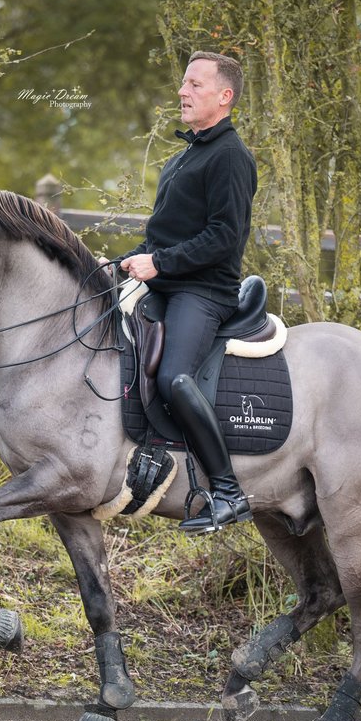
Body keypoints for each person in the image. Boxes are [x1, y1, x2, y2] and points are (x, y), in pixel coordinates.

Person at [117, 50, 258, 532]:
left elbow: (223, 237)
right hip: (168, 282)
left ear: (225, 96)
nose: (182, 91)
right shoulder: (181, 159)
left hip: (205, 291)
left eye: (195, 85)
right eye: (183, 83)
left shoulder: (232, 157)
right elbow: (162, 235)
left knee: (177, 377)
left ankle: (227, 491)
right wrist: (124, 263)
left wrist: (157, 263)